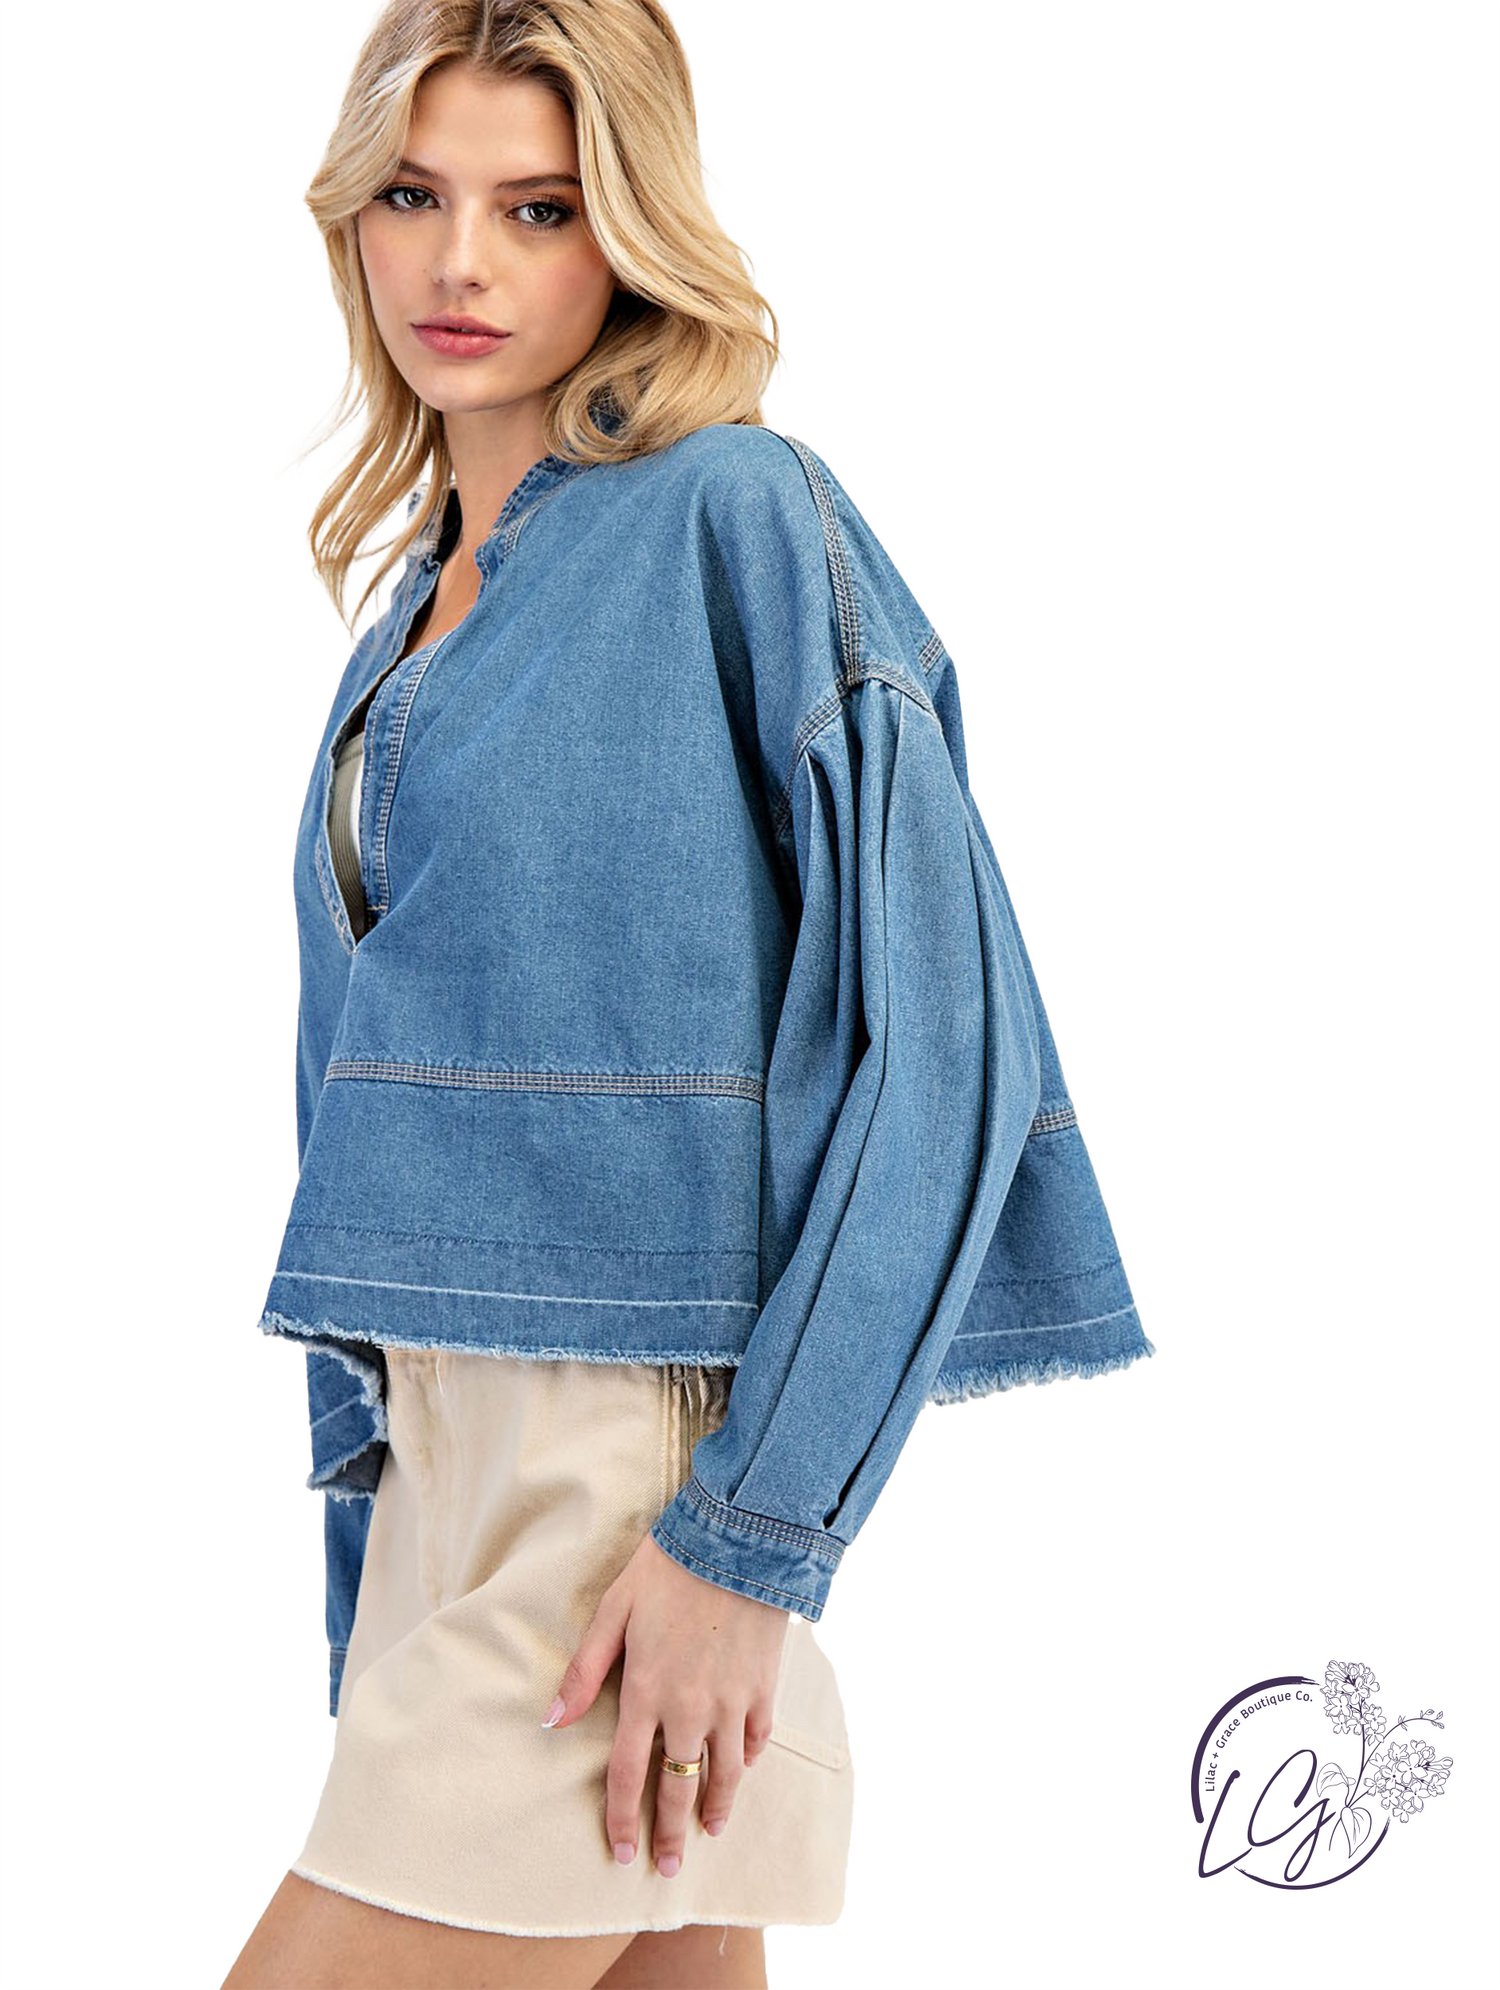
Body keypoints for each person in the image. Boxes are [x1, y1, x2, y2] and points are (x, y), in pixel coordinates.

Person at [223, 4, 1154, 1986]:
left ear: (631, 229)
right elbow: (355, 1132)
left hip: (629, 1477)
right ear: (351, 217)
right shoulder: (403, 619)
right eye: (414, 194)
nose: (460, 261)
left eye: (537, 207)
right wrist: (365, 1581)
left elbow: (949, 1043)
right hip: (448, 1478)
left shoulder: (738, 511)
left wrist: (752, 1538)